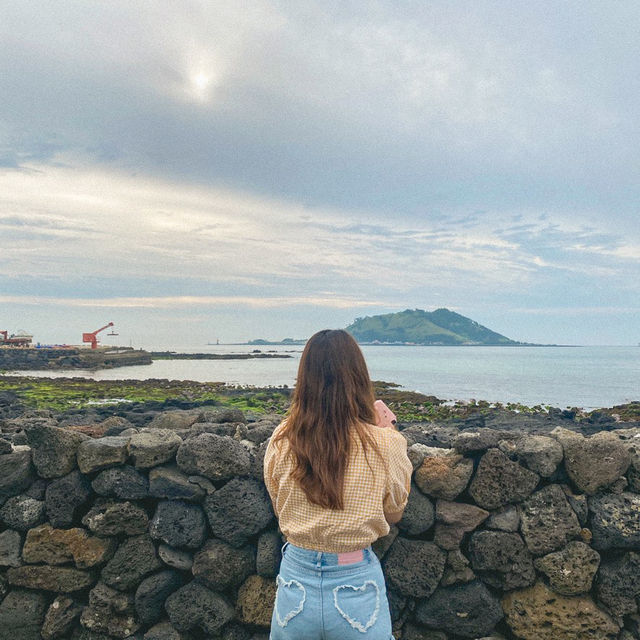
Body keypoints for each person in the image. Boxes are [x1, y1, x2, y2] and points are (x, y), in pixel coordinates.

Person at [263, 329, 413, 639]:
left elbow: (281, 508)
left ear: (305, 380)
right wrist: (385, 432)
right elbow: (395, 513)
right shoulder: (385, 444)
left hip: (296, 580)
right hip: (355, 579)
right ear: (358, 377)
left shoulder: (281, 439)